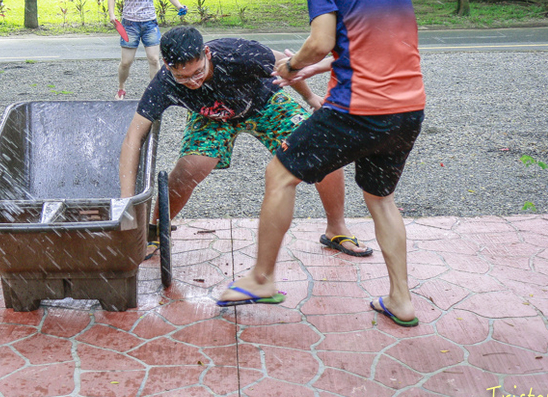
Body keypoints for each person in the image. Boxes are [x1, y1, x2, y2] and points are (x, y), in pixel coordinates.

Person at [218, 0, 426, 327]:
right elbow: (371, 41)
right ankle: (401, 300)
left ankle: (262, 278)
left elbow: (321, 40)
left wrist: (292, 66)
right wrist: (318, 67)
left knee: (280, 174)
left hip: (358, 108)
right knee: (381, 199)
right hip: (408, 109)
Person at [118, 25, 373, 264]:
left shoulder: (237, 53)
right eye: (183, 78)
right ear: (167, 65)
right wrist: (127, 202)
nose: (193, 82)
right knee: (190, 168)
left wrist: (309, 96)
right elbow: (133, 138)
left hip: (264, 102)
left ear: (207, 53)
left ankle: (336, 229)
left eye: (198, 72)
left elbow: (285, 65)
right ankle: (155, 230)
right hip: (212, 116)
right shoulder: (164, 82)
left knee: (320, 149)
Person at [107, 0, 186, 100]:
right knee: (126, 62)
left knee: (154, 59)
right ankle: (121, 88)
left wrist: (179, 6)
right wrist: (112, 15)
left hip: (150, 25)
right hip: (129, 25)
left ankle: (155, 92)